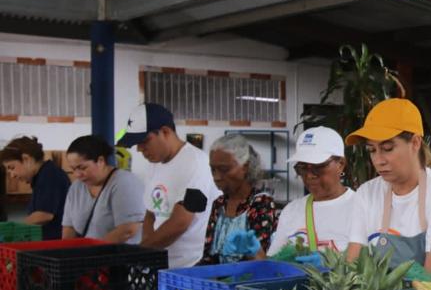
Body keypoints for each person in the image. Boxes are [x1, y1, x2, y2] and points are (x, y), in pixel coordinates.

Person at [345, 98, 431, 274]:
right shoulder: (366, 193)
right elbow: (353, 263)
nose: (378, 160)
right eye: (371, 150)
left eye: (387, 148)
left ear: (415, 143)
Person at [117, 103, 219, 269]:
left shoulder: (196, 163)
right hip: (163, 265)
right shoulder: (155, 164)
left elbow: (181, 222)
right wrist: (149, 255)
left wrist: (142, 251)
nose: (140, 149)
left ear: (165, 132)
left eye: (144, 141)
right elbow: (151, 213)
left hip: (190, 266)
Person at [266, 127, 355, 258]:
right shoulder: (291, 211)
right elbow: (274, 265)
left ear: (340, 164)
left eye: (318, 167)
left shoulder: (362, 208)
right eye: (302, 168)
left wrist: (332, 264)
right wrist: (255, 253)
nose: (309, 175)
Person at [201, 134, 277, 264]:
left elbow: (259, 260)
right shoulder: (219, 204)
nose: (217, 177)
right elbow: (209, 256)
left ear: (245, 166)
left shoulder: (261, 204)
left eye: (224, 169)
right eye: (213, 170)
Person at [62, 135, 145, 243]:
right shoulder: (76, 188)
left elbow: (128, 229)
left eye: (82, 168)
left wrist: (94, 251)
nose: (77, 174)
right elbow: (69, 228)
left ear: (100, 160)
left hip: (118, 255)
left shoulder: (123, 182)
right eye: (73, 169)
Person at [1, 136, 70, 240]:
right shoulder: (41, 177)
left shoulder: (49, 175)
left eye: (12, 168)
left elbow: (44, 215)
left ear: (26, 159)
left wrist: (11, 229)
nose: (12, 175)